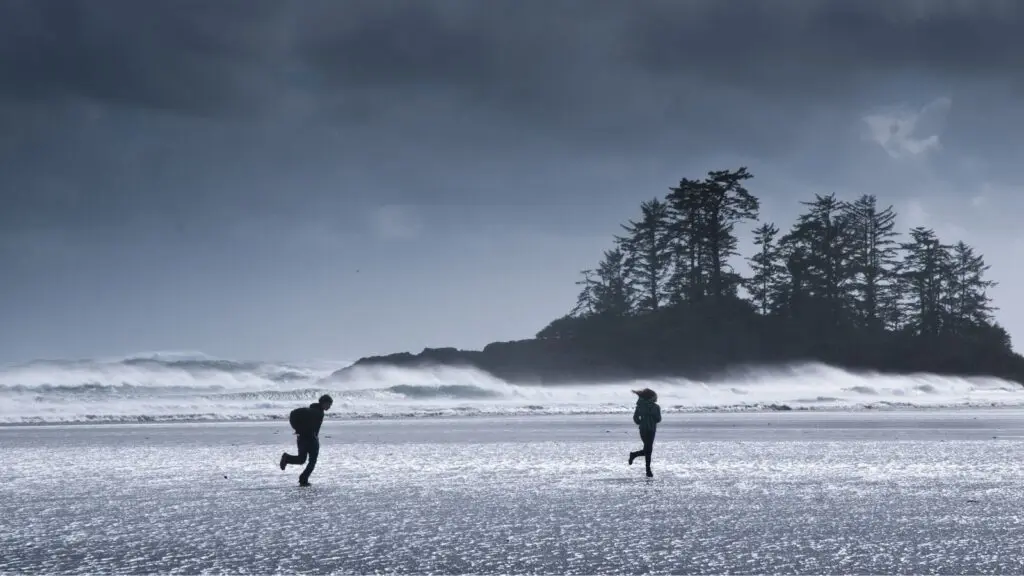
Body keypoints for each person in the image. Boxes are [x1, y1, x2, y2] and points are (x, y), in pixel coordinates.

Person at [279, 394, 333, 486]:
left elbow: (295, 414)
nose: (329, 406)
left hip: (302, 438)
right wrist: (298, 429)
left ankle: (287, 458)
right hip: (310, 439)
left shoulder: (315, 410)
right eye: (329, 404)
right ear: (324, 403)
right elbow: (294, 413)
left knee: (301, 460)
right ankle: (303, 479)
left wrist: (298, 429)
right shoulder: (316, 412)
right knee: (312, 462)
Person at [628, 388, 661, 477]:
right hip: (651, 430)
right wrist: (652, 417)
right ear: (651, 397)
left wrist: (641, 422)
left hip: (643, 429)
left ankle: (635, 456)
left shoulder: (640, 406)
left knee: (648, 449)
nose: (656, 397)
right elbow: (658, 419)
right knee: (648, 449)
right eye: (655, 396)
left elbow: (635, 418)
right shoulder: (656, 407)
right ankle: (648, 470)